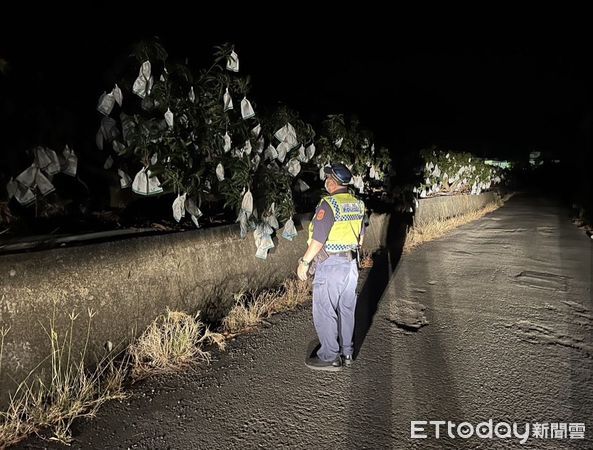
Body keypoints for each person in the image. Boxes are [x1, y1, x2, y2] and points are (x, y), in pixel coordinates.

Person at [297, 162, 366, 371]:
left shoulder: (328, 205)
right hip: (351, 265)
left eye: (327, 178)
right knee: (347, 309)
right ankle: (347, 352)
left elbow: (318, 240)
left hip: (331, 265)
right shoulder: (358, 204)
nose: (325, 181)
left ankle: (329, 357)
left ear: (332, 182)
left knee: (325, 310)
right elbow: (361, 239)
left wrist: (304, 262)